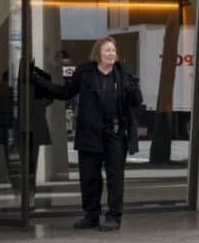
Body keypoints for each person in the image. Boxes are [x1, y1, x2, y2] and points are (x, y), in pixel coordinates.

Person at [31, 37, 143, 231]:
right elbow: (65, 92)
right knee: (89, 178)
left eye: (113, 50)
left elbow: (136, 101)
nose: (111, 54)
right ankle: (91, 216)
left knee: (115, 178)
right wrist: (37, 81)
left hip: (115, 134)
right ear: (98, 53)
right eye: (107, 50)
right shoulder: (85, 73)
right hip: (89, 133)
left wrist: (133, 88)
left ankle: (114, 217)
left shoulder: (124, 73)